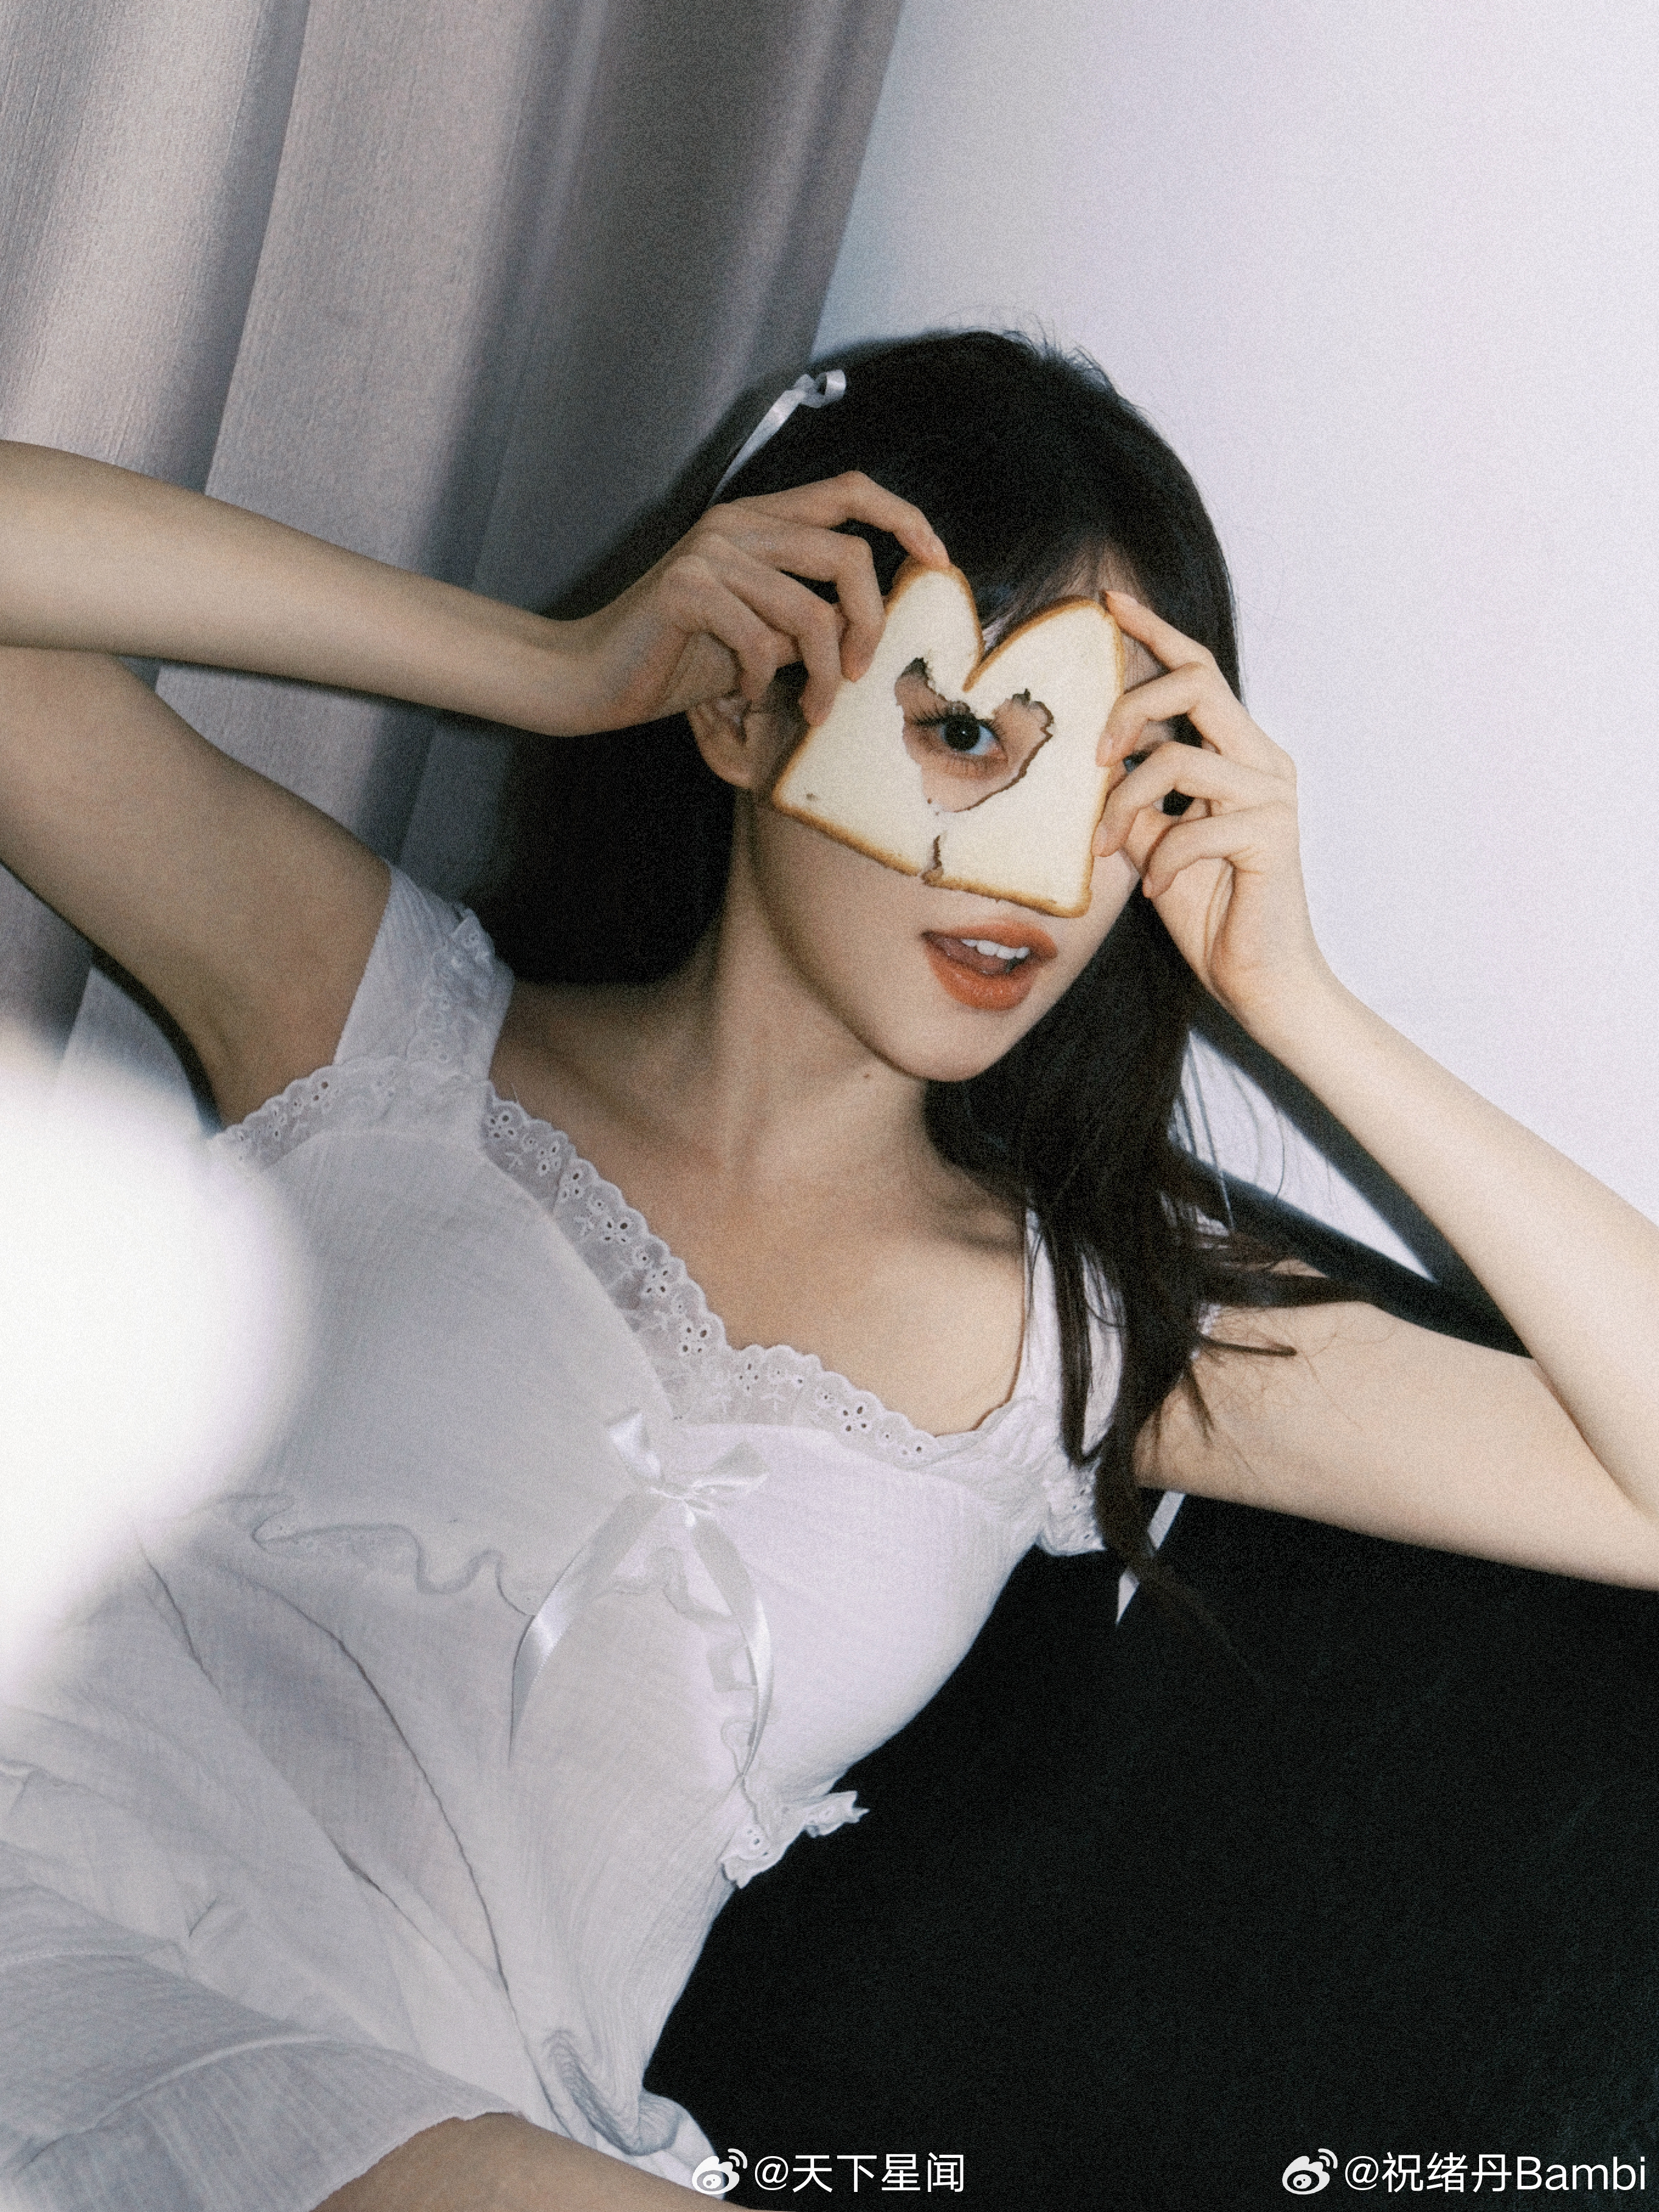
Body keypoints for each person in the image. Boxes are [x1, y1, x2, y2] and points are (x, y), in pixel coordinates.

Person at [0, 331, 1654, 2212]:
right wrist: (550, 668)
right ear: (746, 713)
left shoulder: (1090, 1336)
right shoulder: (368, 1024)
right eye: (967, 736)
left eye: (1118, 785)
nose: (1036, 873)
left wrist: (1294, 1001)